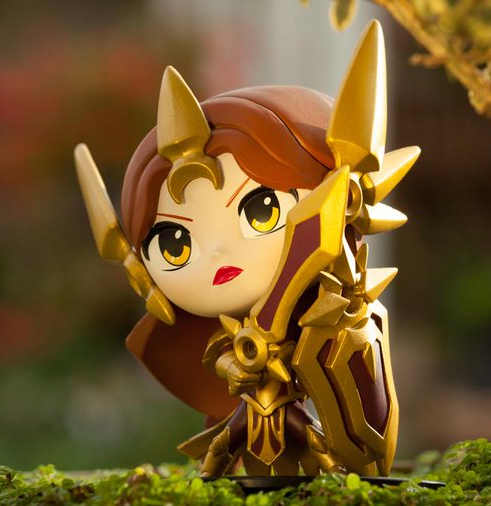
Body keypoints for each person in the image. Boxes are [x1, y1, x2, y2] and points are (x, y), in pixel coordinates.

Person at [75, 20, 417, 476]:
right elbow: (224, 361)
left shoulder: (327, 319)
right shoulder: (228, 329)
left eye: (260, 211)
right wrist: (236, 364)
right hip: (250, 412)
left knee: (318, 451)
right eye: (176, 245)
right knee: (220, 453)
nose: (218, 253)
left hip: (288, 406)